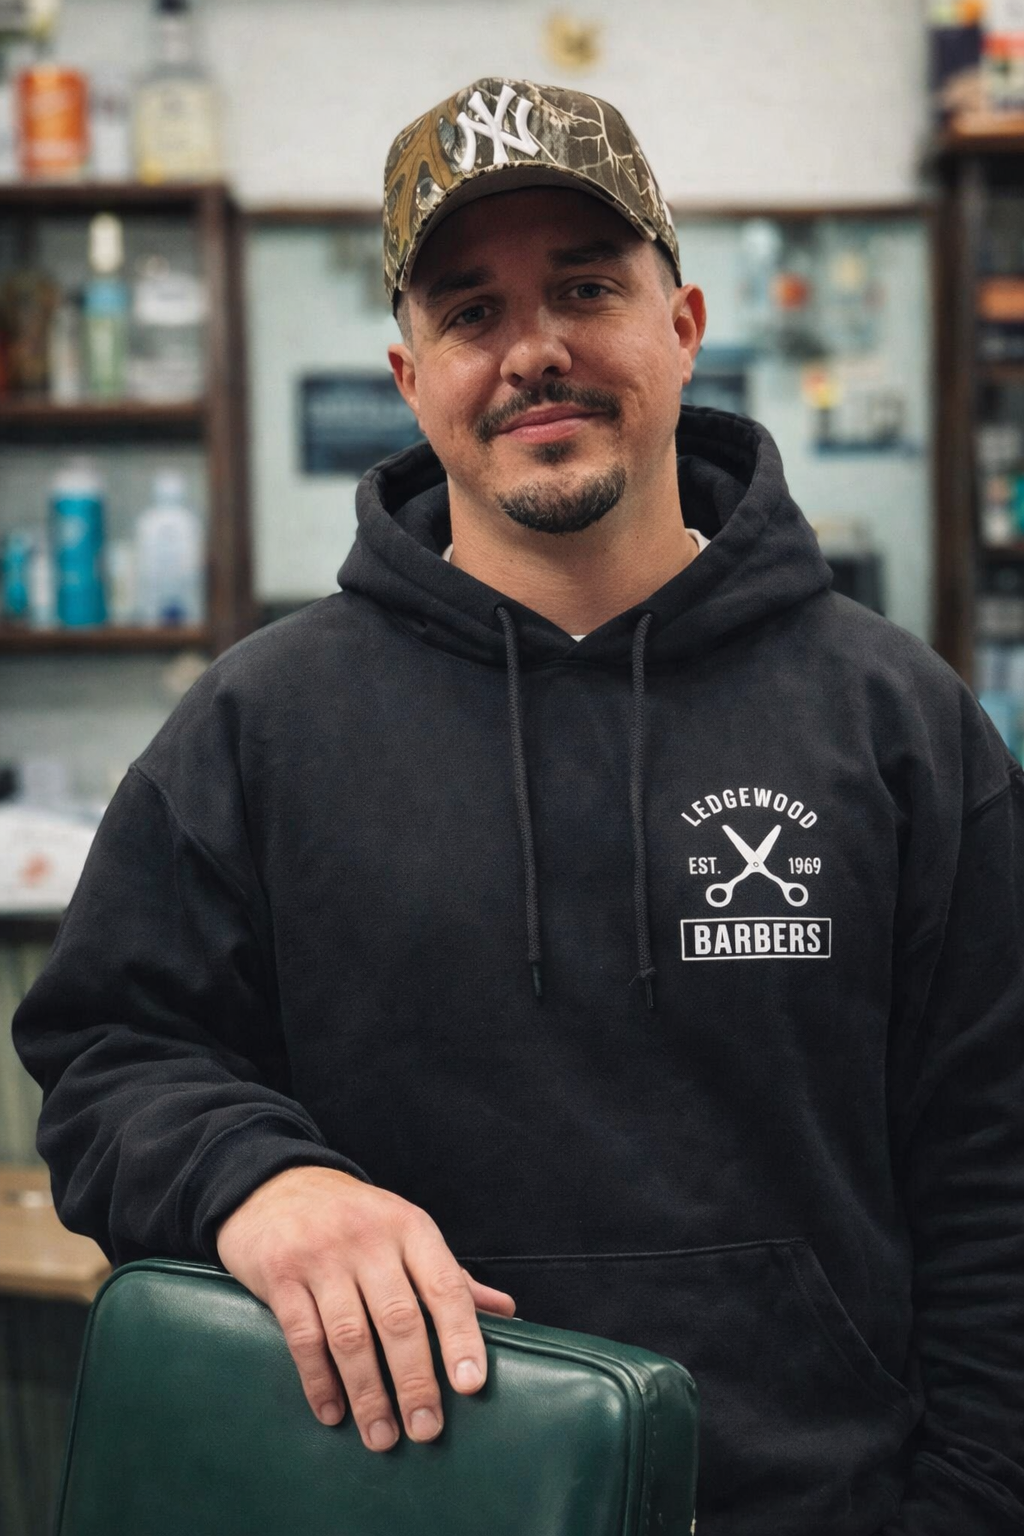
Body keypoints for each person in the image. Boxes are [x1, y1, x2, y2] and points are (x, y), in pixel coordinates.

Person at [12, 76, 1024, 1535]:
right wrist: (258, 1180)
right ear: (409, 374)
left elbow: (996, 1169)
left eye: (587, 287)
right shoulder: (260, 726)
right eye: (471, 311)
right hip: (388, 1502)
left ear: (682, 326)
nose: (534, 350)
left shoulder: (899, 723)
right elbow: (109, 1056)